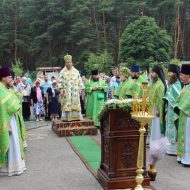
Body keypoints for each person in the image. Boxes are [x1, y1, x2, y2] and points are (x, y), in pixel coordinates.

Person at [0, 67, 26, 176]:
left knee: (14, 142)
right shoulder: (1, 89)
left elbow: (17, 100)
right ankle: (7, 169)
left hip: (12, 120)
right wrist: (6, 126)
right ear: (3, 78)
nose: (11, 79)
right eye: (9, 77)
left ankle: (15, 166)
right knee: (9, 143)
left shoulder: (6, 88)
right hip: (6, 122)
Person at [148, 64, 167, 180]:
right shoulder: (154, 83)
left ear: (157, 73)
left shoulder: (160, 84)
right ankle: (153, 143)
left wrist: (159, 111)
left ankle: (156, 145)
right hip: (152, 108)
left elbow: (160, 99)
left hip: (156, 109)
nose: (151, 74)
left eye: (153, 73)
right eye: (151, 72)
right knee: (153, 128)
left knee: (156, 128)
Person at [58, 54, 84, 121]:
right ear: (65, 63)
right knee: (67, 104)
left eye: (69, 62)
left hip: (75, 91)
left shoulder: (76, 71)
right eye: (67, 63)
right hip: (66, 92)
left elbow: (80, 80)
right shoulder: (62, 72)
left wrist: (81, 89)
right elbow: (60, 82)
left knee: (76, 103)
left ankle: (77, 117)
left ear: (72, 62)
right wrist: (61, 91)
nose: (68, 64)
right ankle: (67, 118)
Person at [163, 62, 182, 155]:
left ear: (174, 73)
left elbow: (177, 97)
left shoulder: (177, 84)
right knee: (169, 128)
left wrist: (169, 98)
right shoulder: (170, 84)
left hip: (175, 111)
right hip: (169, 110)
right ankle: (170, 148)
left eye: (170, 72)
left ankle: (175, 149)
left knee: (174, 128)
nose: (168, 74)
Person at [174, 64, 190, 166]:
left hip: (188, 116)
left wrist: (179, 106)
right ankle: (181, 157)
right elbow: (179, 99)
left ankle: (187, 159)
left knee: (188, 138)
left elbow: (187, 102)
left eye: (183, 74)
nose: (180, 76)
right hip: (183, 114)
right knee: (182, 137)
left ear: (189, 76)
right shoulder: (185, 86)